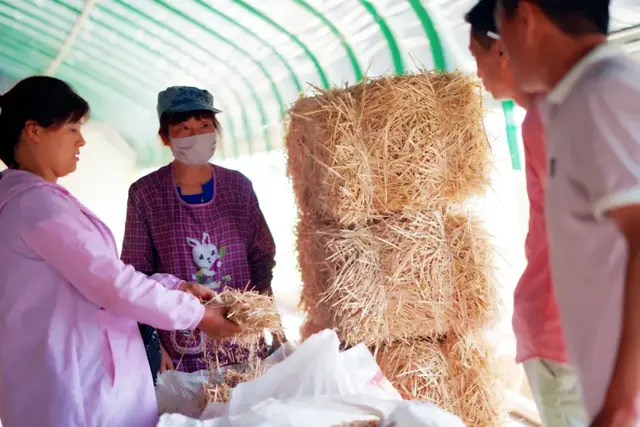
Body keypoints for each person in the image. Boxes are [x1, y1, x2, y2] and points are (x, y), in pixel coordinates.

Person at [0, 76, 242, 427]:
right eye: (72, 129)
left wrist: (173, 287)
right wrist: (196, 314)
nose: (81, 140)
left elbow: (99, 277)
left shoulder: (36, 203)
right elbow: (111, 284)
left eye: (204, 127)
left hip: (77, 378)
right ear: (34, 130)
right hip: (79, 388)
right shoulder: (38, 207)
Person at [495, 0, 640, 425]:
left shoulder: (604, 93)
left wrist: (616, 407)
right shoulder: (577, 99)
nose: (504, 53)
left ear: (526, 17)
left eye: (501, 37)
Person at [465, 2, 588, 426]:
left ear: (504, 49)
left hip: (568, 339)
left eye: (477, 56)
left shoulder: (549, 117)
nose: (477, 72)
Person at [121, 86, 282, 378]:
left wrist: (271, 324)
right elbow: (136, 274)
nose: (196, 136)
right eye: (184, 128)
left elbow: (262, 258)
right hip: (182, 346)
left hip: (241, 337)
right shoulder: (146, 194)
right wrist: (154, 345)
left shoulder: (238, 187)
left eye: (204, 126)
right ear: (164, 138)